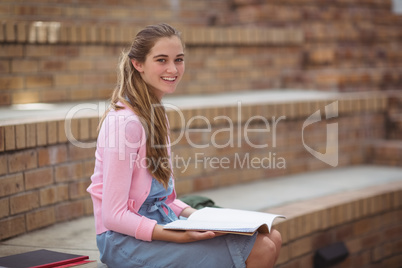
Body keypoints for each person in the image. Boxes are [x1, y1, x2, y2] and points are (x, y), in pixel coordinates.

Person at [87, 23, 282, 268]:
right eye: (161, 60)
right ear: (138, 64)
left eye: (178, 59)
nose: (173, 69)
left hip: (163, 221)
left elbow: (164, 200)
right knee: (261, 248)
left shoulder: (156, 114)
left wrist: (202, 216)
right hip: (123, 240)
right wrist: (177, 236)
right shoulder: (125, 123)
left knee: (272, 236)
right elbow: (113, 216)